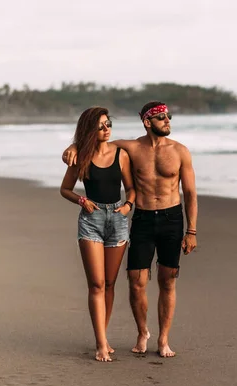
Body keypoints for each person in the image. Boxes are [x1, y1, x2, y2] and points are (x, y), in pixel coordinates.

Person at [62, 101, 198, 357]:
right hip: (143, 219)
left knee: (167, 280)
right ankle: (142, 332)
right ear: (147, 122)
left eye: (168, 116)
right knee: (136, 281)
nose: (167, 120)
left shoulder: (181, 151)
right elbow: (97, 144)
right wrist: (74, 146)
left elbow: (190, 193)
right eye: (161, 117)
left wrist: (191, 231)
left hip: (171, 219)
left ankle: (164, 339)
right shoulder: (130, 148)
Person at [60, 106, 135, 362]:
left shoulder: (121, 154)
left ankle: (103, 333)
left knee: (111, 283)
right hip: (90, 220)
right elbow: (65, 189)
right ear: (90, 129)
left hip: (117, 218)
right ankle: (101, 343)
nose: (106, 129)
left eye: (108, 123)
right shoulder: (80, 156)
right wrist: (82, 201)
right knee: (97, 284)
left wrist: (127, 206)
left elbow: (131, 188)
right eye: (101, 125)